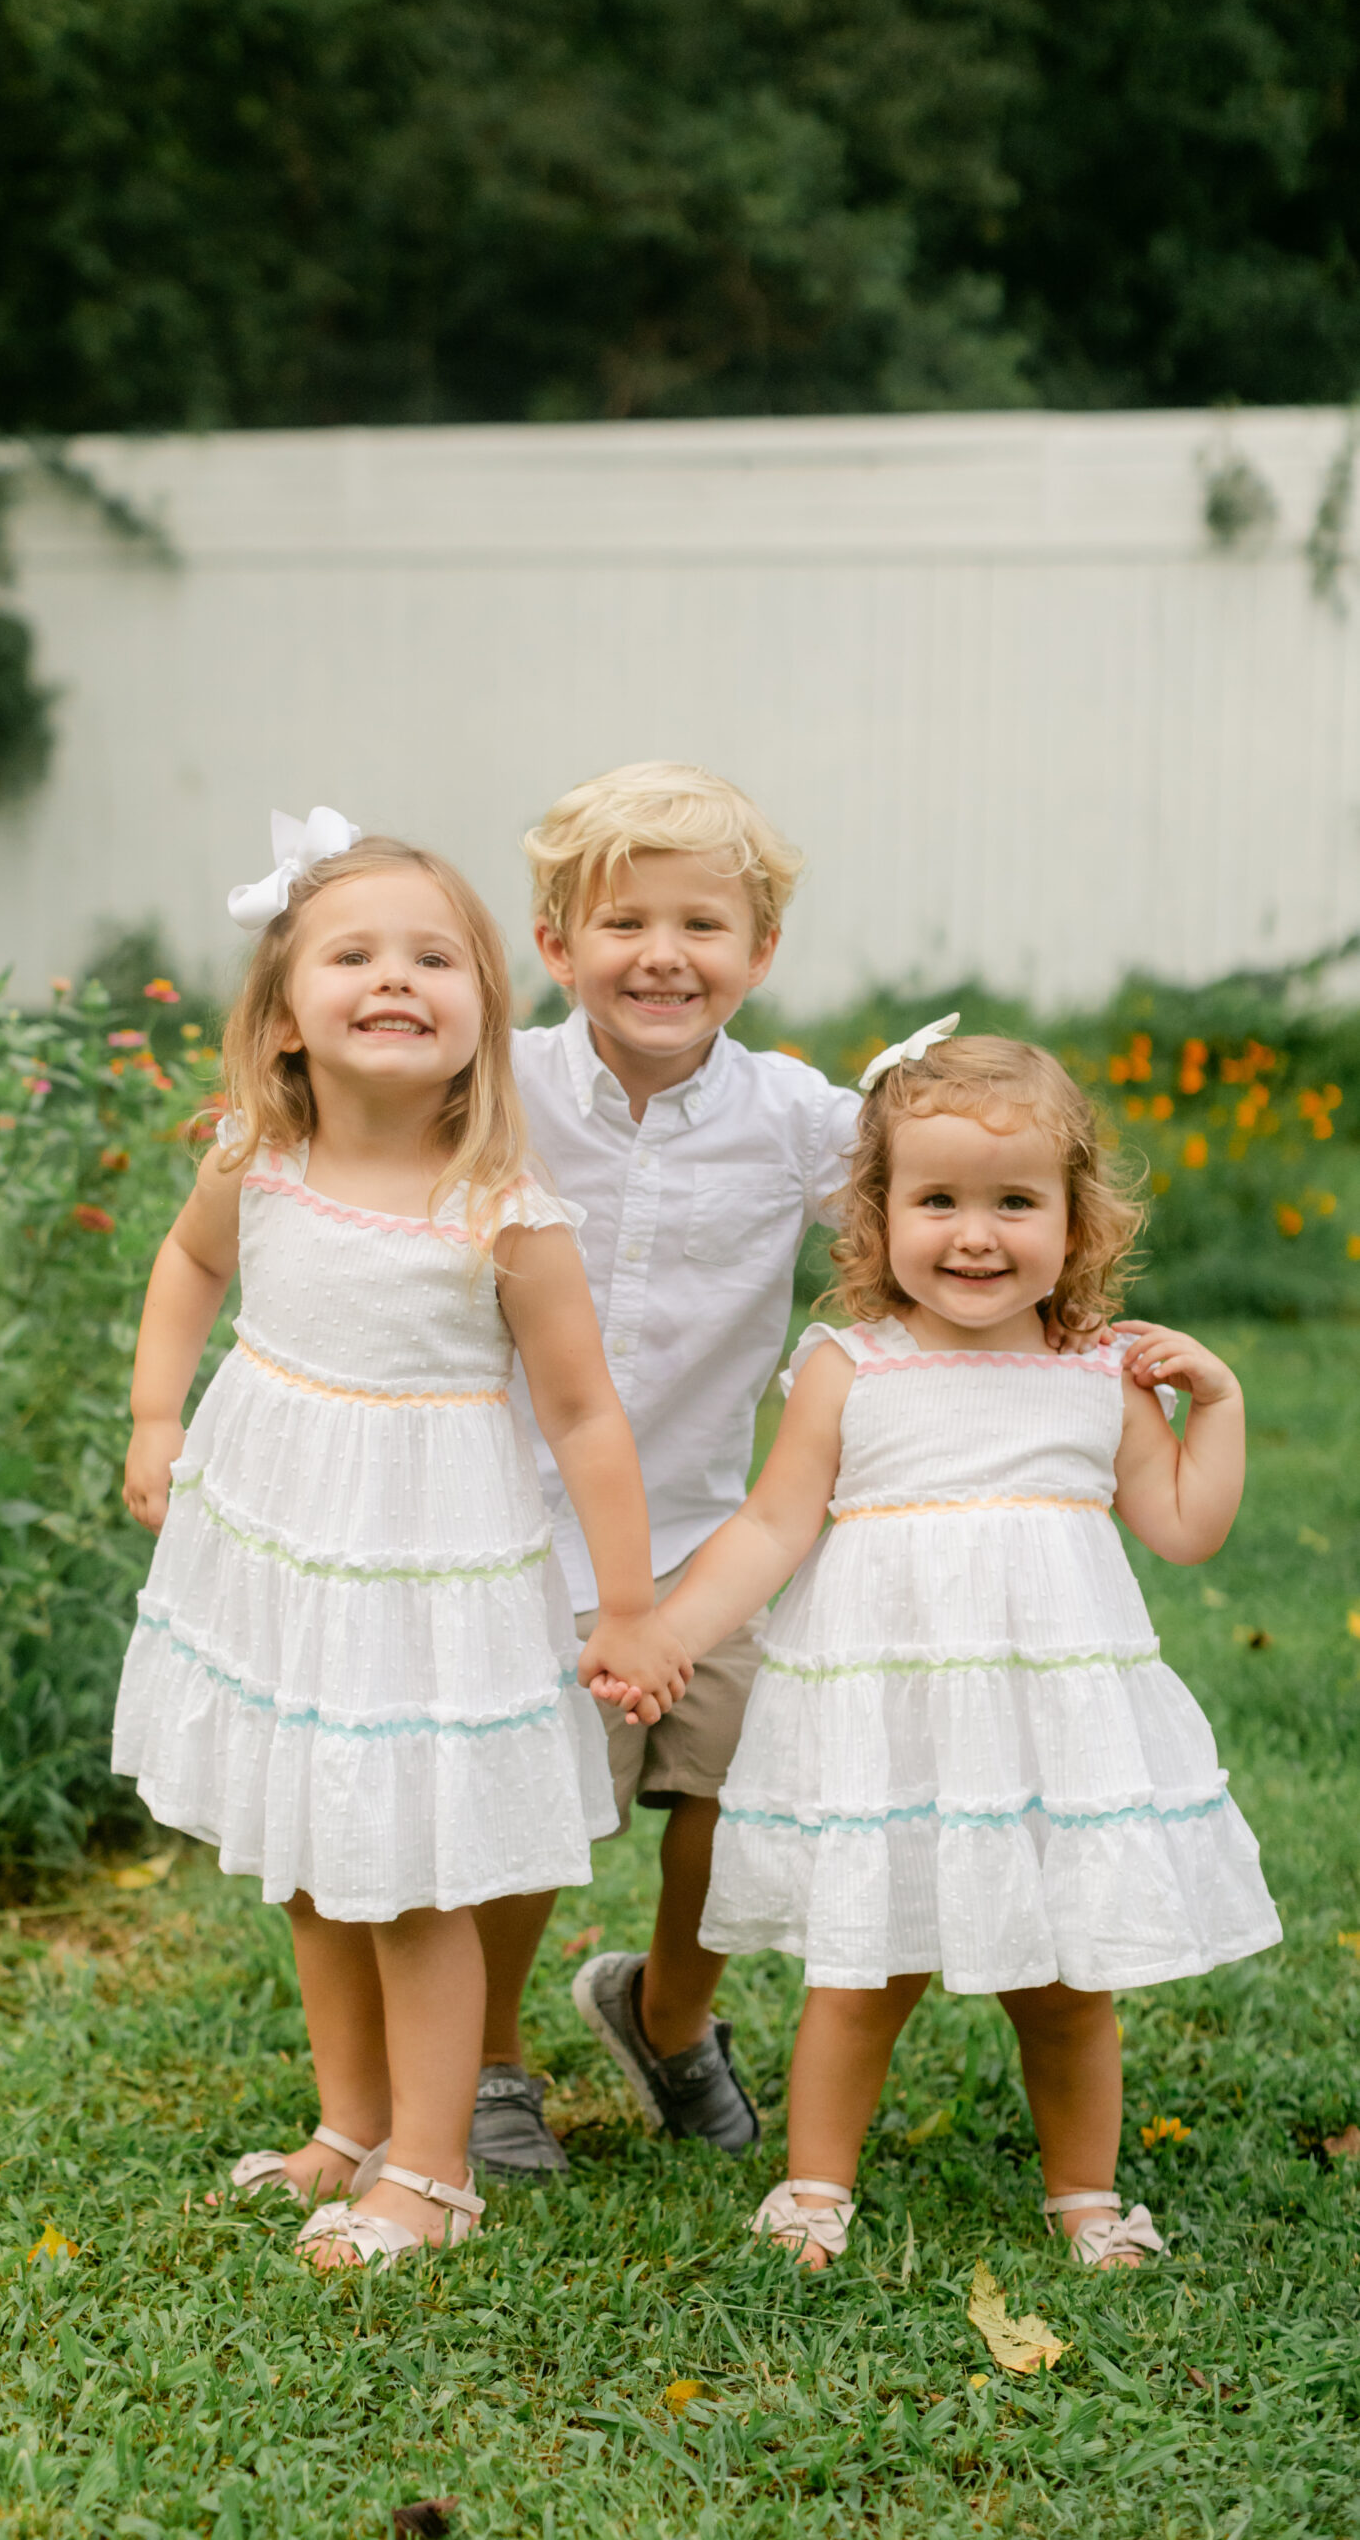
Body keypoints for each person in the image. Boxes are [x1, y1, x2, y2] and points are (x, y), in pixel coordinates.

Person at [603, 1025, 1282, 2269]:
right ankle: (814, 2190)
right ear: (877, 1217)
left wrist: (1218, 1405)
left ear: (1075, 1223)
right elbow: (768, 1527)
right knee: (863, 1970)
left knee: (1072, 1984)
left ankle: (1084, 2194)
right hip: (893, 1729)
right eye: (938, 1201)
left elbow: (1185, 1527)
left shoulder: (1101, 1374)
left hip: (1045, 1737)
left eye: (1015, 1202)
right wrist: (668, 1633)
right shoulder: (850, 1368)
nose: (975, 1234)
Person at [113, 811, 690, 2270]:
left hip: (421, 1572)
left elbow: (584, 1418)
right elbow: (189, 1264)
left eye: (432, 956)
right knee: (313, 1847)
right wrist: (152, 1418)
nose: (393, 978)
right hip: (282, 1549)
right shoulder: (260, 1155)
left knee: (411, 1865)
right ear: (284, 1013)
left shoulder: (500, 1210)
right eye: (352, 954)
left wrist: (624, 1605)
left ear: (484, 1011)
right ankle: (349, 2123)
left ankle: (431, 2171)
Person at [468, 761, 861, 2178]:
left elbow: (934, 1215)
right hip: (513, 1525)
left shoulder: (798, 1120)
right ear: (554, 943)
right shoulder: (493, 1086)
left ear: (757, 954)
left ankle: (664, 2012)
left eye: (702, 926)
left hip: (709, 1538)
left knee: (735, 1787)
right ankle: (486, 2052)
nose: (661, 955)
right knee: (529, 1804)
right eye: (622, 922)